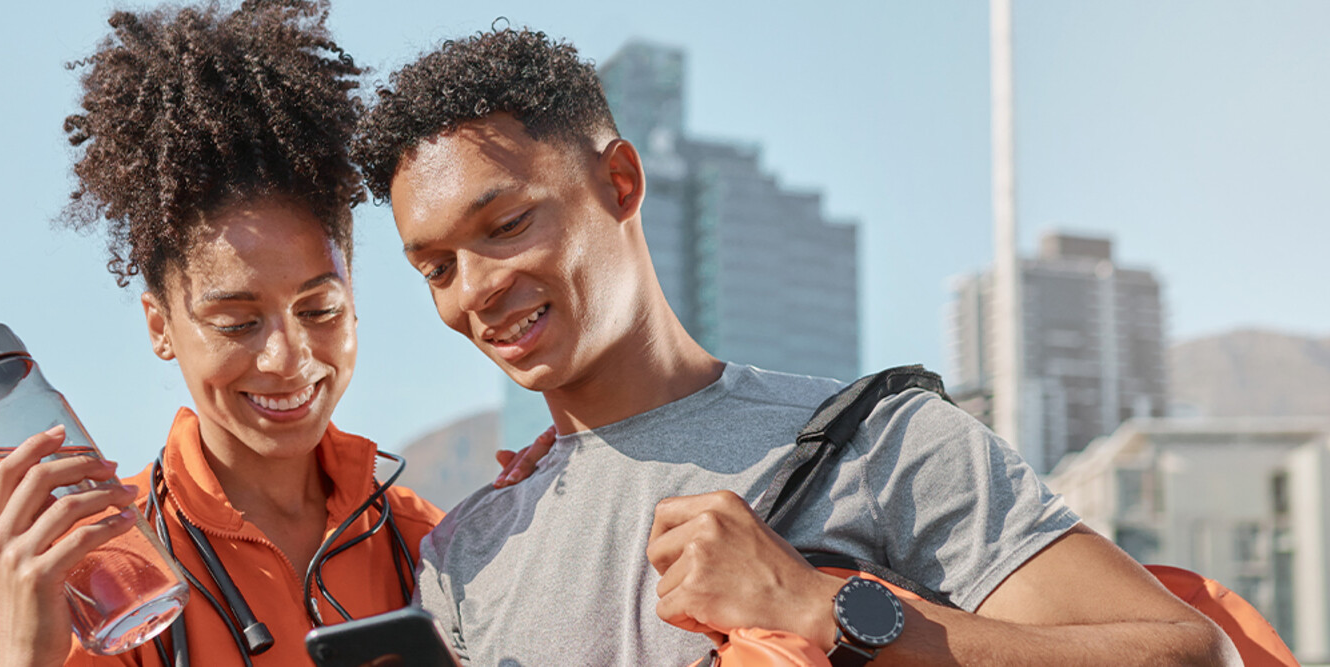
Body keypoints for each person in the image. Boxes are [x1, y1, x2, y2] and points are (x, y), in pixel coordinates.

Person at [352, 26, 1236, 666]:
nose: (474, 291)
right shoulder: (465, 555)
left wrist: (821, 606)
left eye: (505, 225)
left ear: (619, 182)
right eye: (435, 269)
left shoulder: (884, 442)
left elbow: (1194, 656)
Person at [0, 3, 548, 666]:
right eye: (238, 322)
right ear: (160, 325)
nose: (287, 357)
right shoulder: (106, 571)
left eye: (319, 309)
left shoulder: (428, 545)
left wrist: (529, 545)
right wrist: (26, 654)